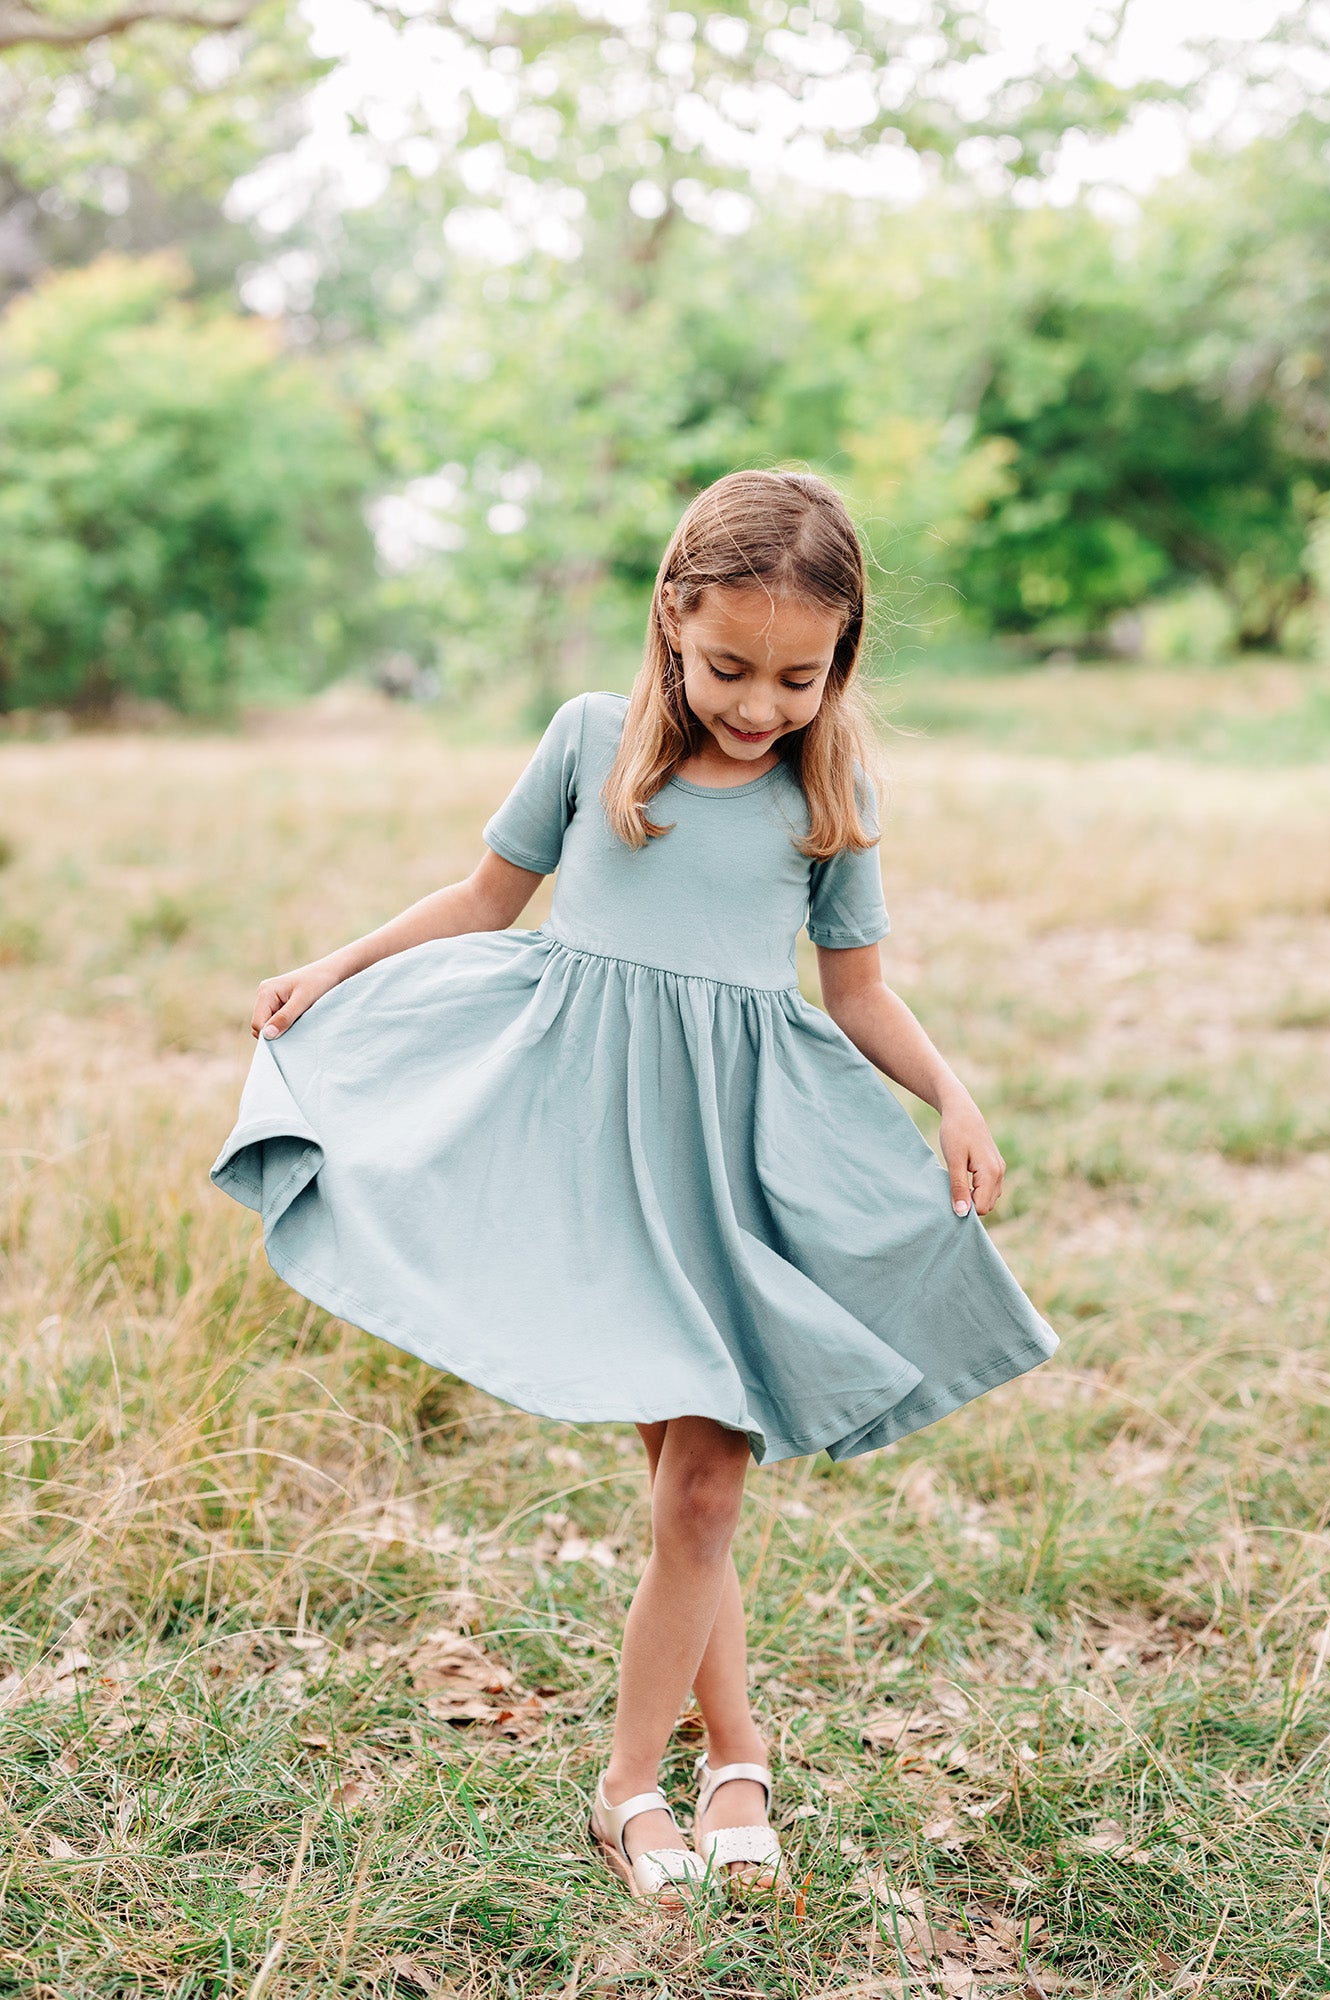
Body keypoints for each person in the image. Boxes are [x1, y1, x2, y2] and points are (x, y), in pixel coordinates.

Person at [210, 469, 1057, 1909]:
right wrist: (336, 966)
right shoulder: (593, 745)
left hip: (729, 1168)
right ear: (671, 618)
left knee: (704, 1485)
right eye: (731, 667)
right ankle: (720, 1756)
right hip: (589, 1146)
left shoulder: (826, 791)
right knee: (684, 1487)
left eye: (800, 676)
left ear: (838, 660)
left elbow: (854, 991)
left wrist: (952, 1091)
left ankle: (642, 1781)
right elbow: (485, 901)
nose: (759, 704)